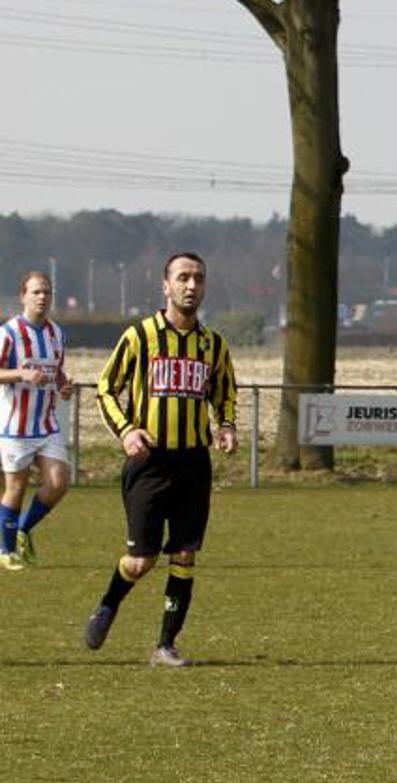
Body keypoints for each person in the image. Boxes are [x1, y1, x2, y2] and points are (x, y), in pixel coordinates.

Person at [83, 253, 239, 666]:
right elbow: (105, 388)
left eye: (198, 279)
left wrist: (226, 426)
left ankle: (165, 646)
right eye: (183, 278)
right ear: (165, 286)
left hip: (193, 463)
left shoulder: (214, 345)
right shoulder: (139, 336)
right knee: (141, 561)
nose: (191, 286)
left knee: (185, 555)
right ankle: (108, 603)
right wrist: (127, 431)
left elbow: (223, 393)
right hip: (149, 463)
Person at [0, 270, 73, 570]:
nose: (42, 297)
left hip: (46, 424)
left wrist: (64, 385)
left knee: (58, 483)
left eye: (46, 292)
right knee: (15, 488)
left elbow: (57, 372)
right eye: (36, 292)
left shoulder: (57, 333)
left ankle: (23, 530)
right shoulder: (9, 334)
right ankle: (6, 552)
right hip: (16, 427)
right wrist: (20, 374)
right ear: (23, 296)